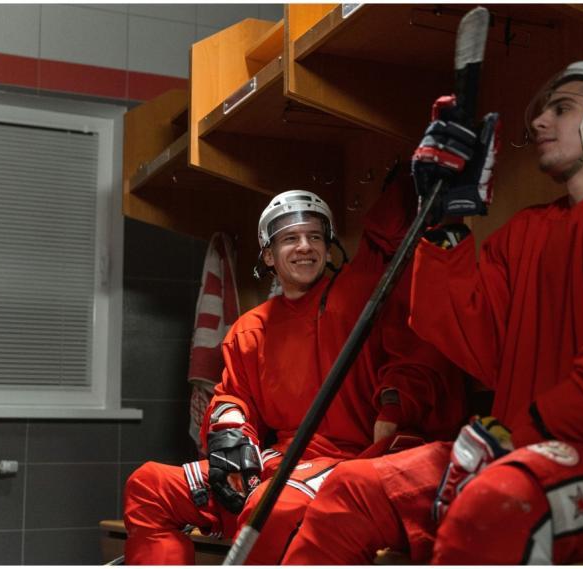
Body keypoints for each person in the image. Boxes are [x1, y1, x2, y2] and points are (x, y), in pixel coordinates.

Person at [281, 60, 583, 564]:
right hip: (521, 450)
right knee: (354, 489)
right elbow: (473, 338)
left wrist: (515, 439)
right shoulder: (531, 230)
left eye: (561, 108)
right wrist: (444, 222)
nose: (537, 122)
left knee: (495, 506)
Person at [123, 179, 467, 564]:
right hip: (274, 462)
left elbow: (414, 355)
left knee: (271, 507)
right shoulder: (249, 330)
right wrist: (230, 440)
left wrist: (394, 406)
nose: (305, 247)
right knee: (149, 485)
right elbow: (233, 397)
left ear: (328, 246)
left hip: (348, 464)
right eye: (290, 239)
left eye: (314, 237)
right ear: (268, 256)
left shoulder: (364, 297)